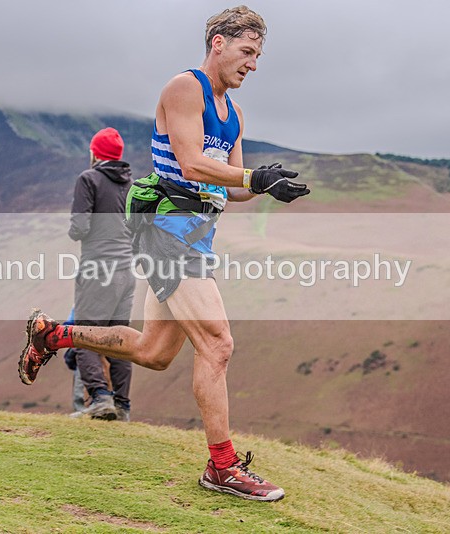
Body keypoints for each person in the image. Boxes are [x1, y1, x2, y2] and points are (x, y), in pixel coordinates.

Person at [19, 6, 308, 501]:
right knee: (217, 344)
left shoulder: (233, 113)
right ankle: (221, 467)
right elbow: (193, 165)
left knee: (154, 352)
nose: (253, 65)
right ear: (218, 42)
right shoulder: (184, 88)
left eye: (258, 56)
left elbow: (233, 188)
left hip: (196, 235)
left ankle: (54, 335)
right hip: (164, 228)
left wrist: (266, 182)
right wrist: (250, 177)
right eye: (247, 52)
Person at [66, 128, 135, 422]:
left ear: (95, 153)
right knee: (118, 339)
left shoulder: (88, 178)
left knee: (85, 335)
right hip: (126, 271)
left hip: (98, 267)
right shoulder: (131, 185)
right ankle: (122, 406)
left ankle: (99, 399)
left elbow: (79, 228)